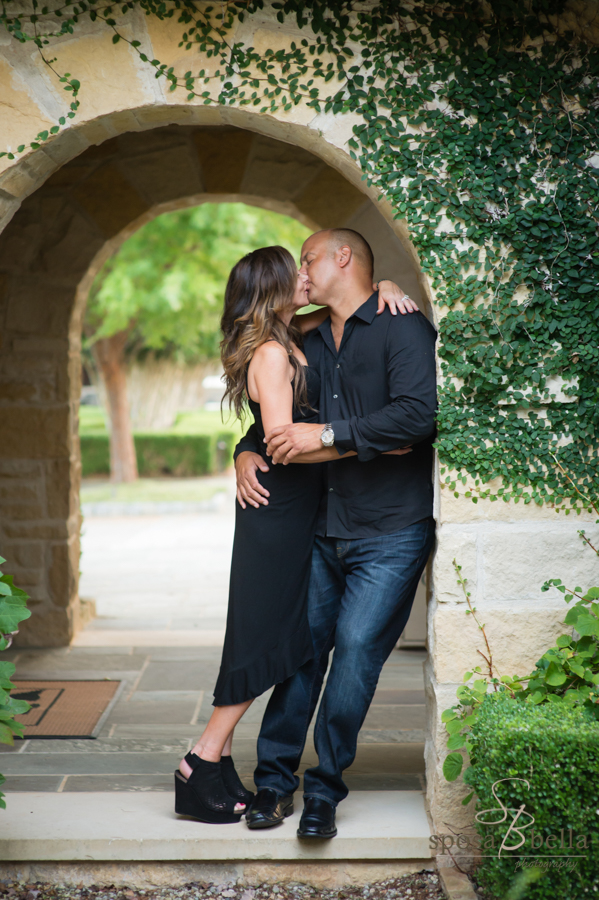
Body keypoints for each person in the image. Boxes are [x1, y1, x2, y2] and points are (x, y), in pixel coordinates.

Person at [174, 245, 412, 824]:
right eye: (296, 270)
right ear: (276, 286)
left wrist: (383, 287)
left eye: (309, 265)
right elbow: (280, 438)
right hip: (280, 512)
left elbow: (347, 306)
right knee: (265, 637)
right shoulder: (276, 352)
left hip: (306, 513)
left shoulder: (293, 330)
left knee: (278, 637)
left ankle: (221, 757)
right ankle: (200, 759)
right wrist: (357, 444)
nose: (305, 276)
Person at [235, 228, 437, 839]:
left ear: (341, 258)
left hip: (391, 530)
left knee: (353, 654)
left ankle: (324, 791)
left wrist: (326, 436)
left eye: (308, 259)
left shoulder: (403, 325)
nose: (302, 270)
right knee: (302, 655)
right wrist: (246, 450)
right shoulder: (310, 336)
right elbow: (280, 412)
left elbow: (416, 417)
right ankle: (273, 784)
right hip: (320, 528)